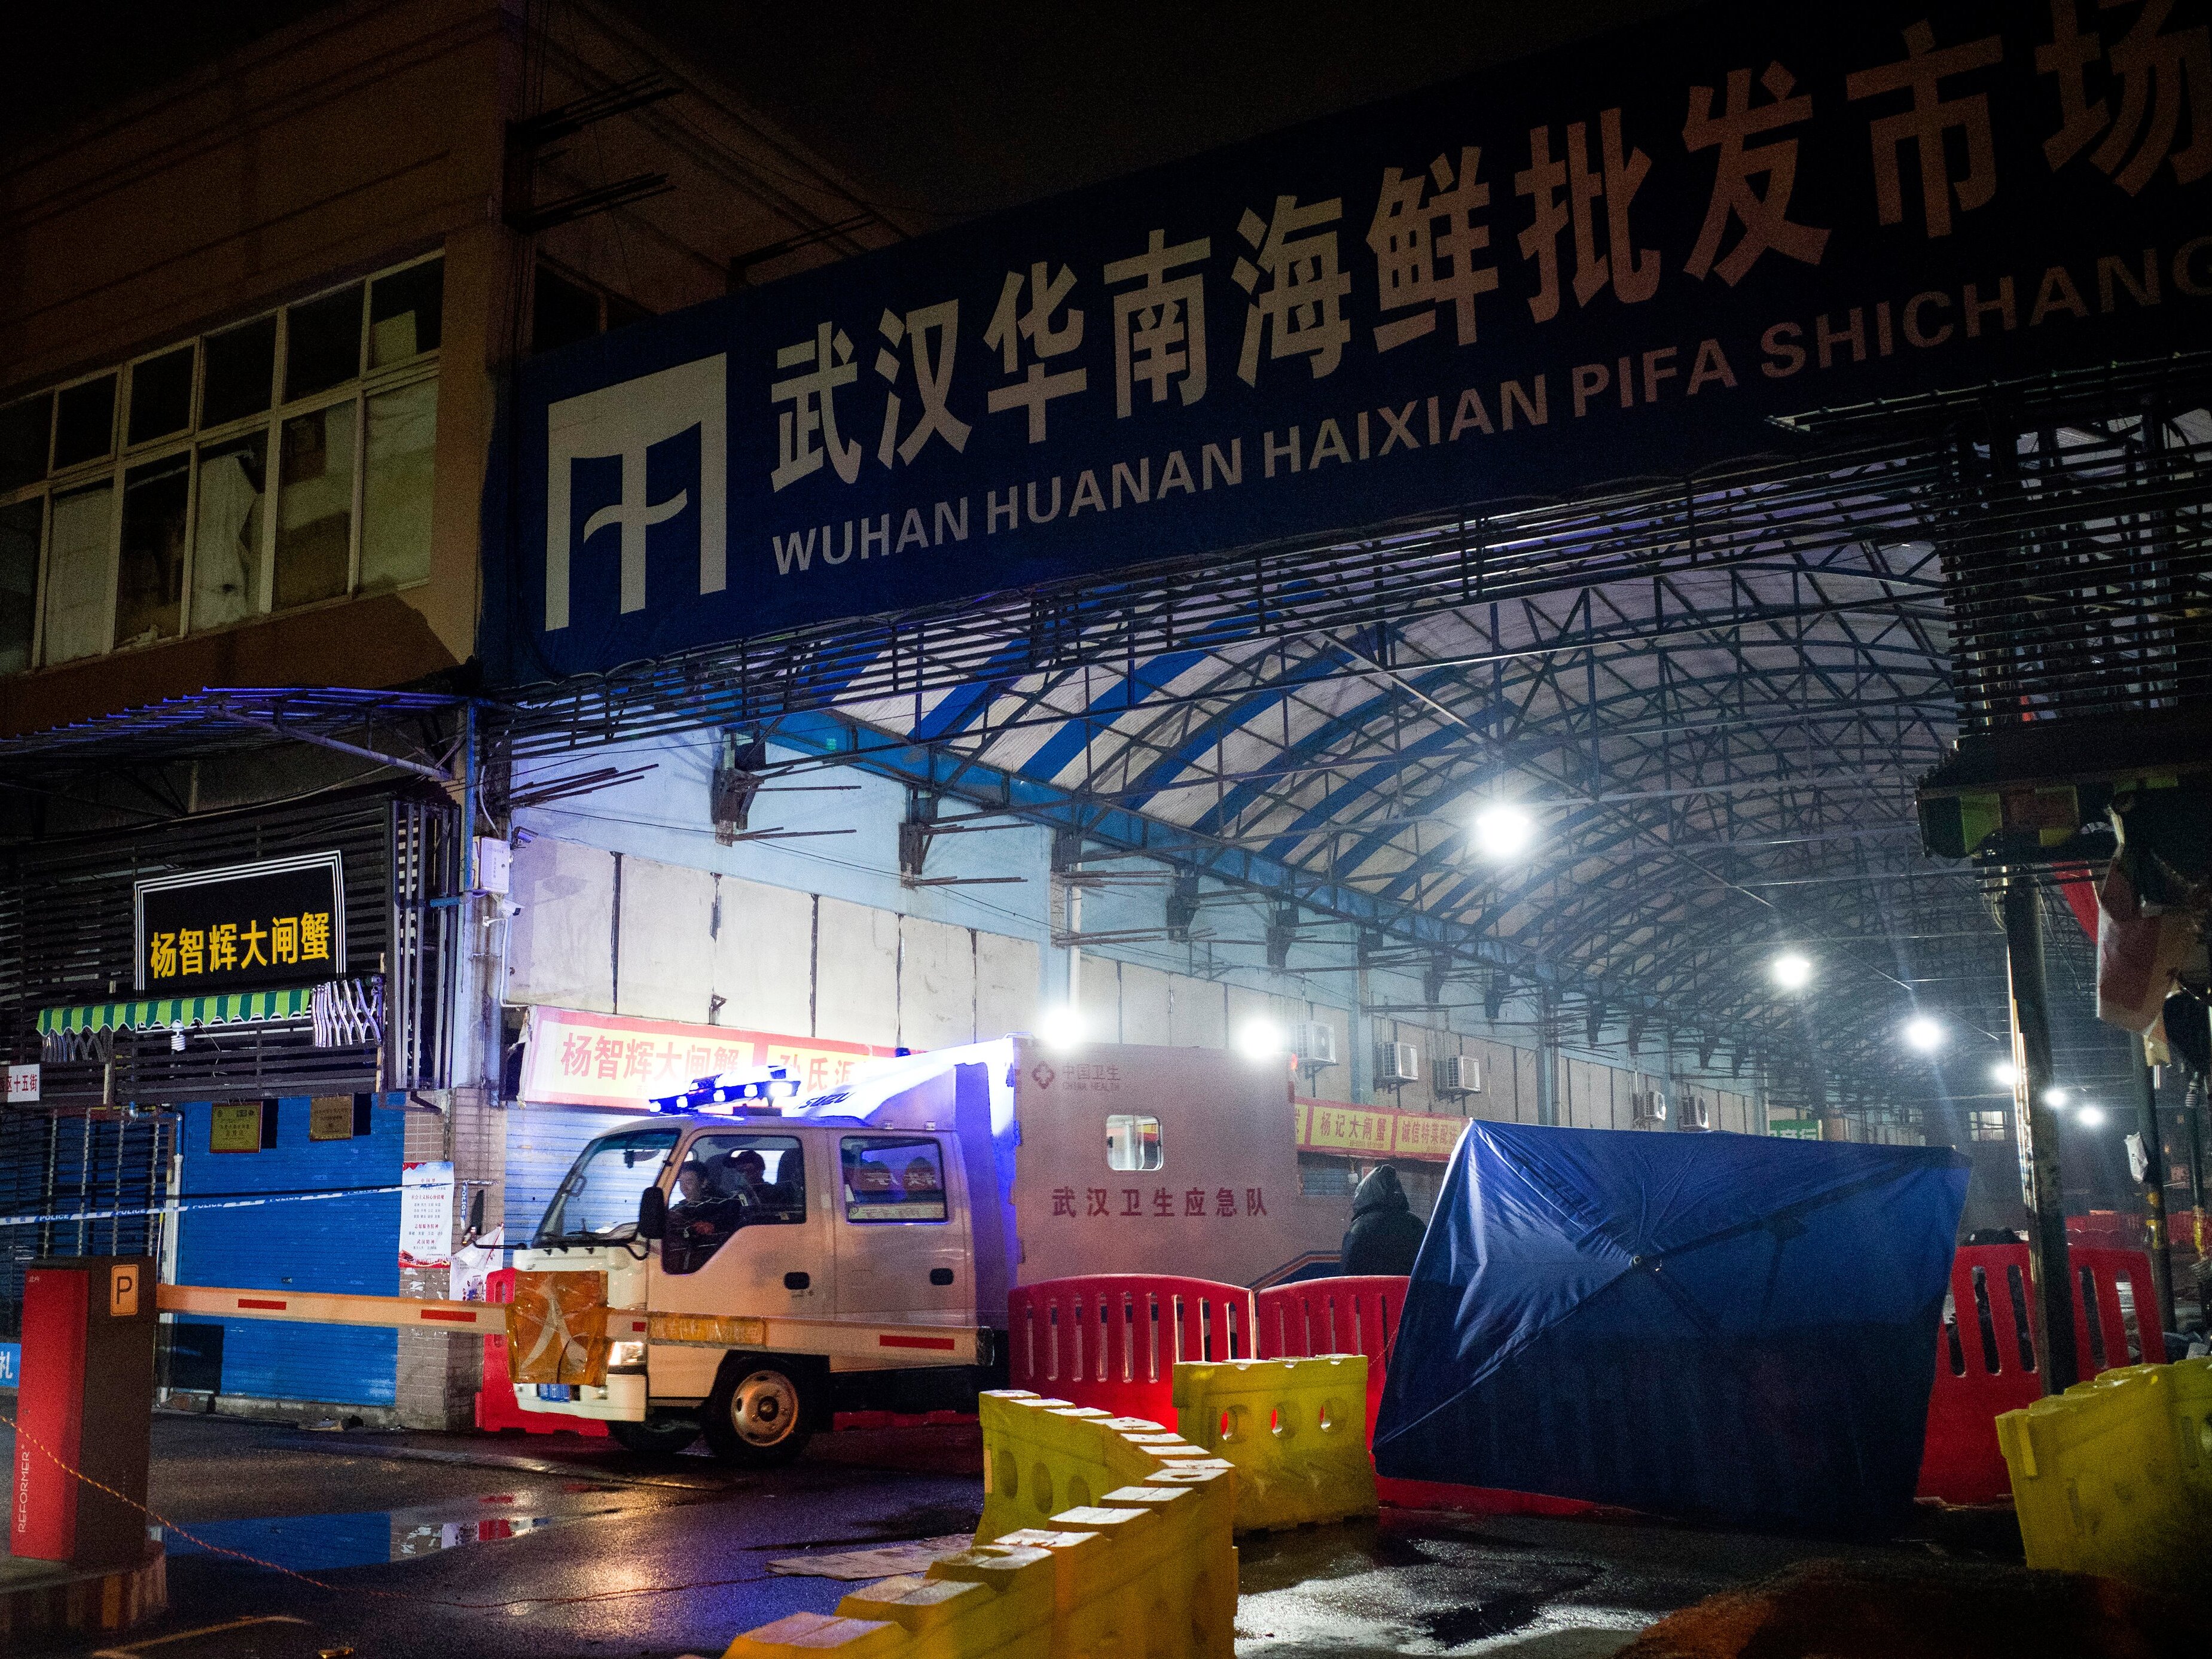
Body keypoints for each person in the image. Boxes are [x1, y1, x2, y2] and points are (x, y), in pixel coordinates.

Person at [1341, 1163, 1426, 1276]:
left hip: (1370, 1287)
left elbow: (1348, 1271)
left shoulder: (1360, 1228)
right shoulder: (1416, 1224)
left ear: (1365, 1192)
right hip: (1408, 1287)